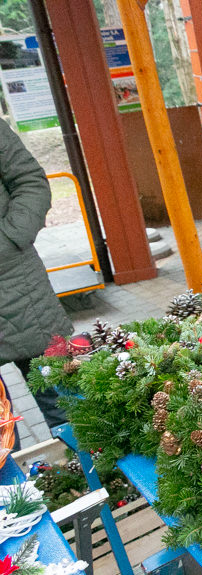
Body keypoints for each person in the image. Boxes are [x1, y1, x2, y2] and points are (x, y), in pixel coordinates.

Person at [0, 119, 73, 440]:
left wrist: (9, 240)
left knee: (63, 403)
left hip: (15, 284)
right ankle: (16, 491)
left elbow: (30, 181)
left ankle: (96, 480)